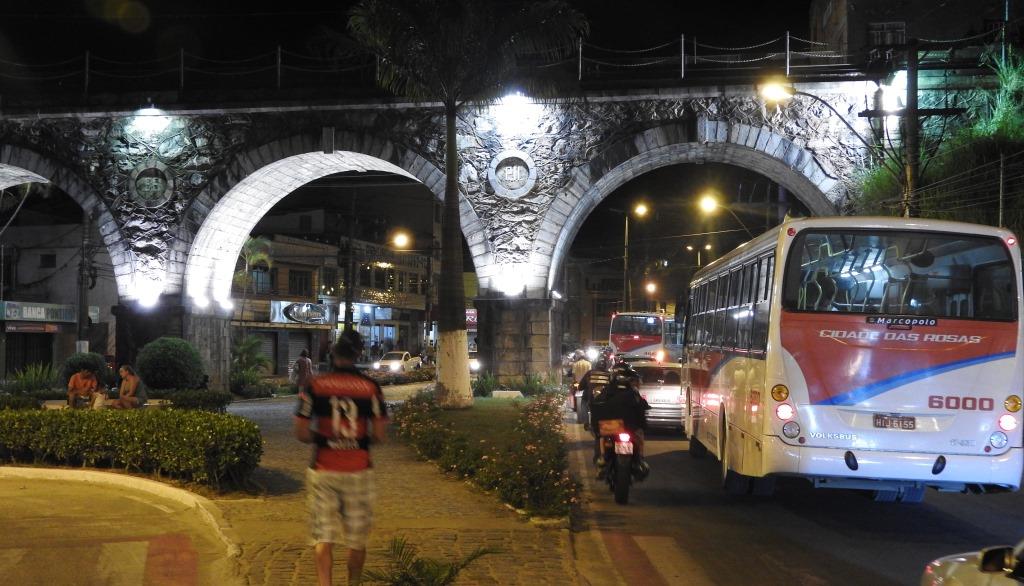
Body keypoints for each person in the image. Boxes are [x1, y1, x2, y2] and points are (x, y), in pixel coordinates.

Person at [294, 330, 388, 586]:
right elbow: (379, 435)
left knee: (323, 538)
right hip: (359, 470)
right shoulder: (371, 388)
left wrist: (323, 437)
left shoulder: (315, 386)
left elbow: (301, 432)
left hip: (323, 470)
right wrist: (358, 440)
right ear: (358, 354)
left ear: (333, 354)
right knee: (356, 540)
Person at [589, 362, 650, 479]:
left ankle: (603, 457)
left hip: (614, 426)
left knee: (602, 435)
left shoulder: (607, 390)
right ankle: (640, 459)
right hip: (629, 427)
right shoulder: (632, 392)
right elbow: (642, 405)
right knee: (639, 434)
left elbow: (597, 404)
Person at [579, 351, 613, 434]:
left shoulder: (590, 373)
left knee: (584, 402)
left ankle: (586, 421)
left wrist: (582, 387)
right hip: (605, 400)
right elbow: (612, 386)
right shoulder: (609, 374)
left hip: (592, 399)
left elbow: (581, 386)